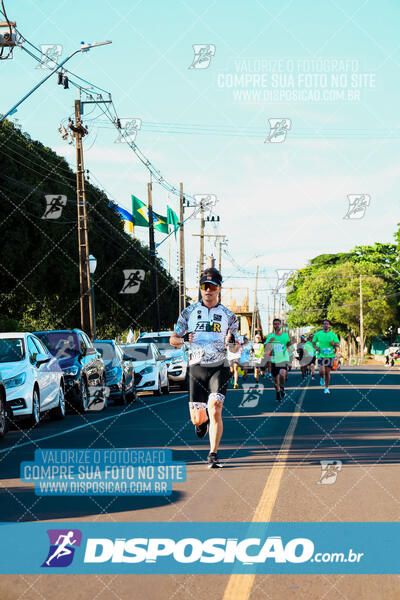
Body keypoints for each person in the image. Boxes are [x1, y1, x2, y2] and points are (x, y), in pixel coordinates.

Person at [170, 267, 239, 468]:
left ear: (219, 289)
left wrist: (232, 340)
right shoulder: (188, 312)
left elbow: (235, 346)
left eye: (212, 287)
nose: (208, 290)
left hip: (219, 366)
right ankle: (202, 423)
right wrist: (182, 339)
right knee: (197, 418)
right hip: (196, 367)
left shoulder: (229, 316)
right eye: (204, 286)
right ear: (200, 288)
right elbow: (172, 339)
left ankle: (213, 454)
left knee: (216, 408)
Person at [265, 318, 291, 402]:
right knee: (276, 380)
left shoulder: (285, 335)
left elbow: (288, 345)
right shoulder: (270, 336)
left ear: (280, 325)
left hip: (283, 358)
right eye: (275, 324)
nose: (276, 325)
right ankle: (278, 392)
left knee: (282, 374)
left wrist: (289, 351)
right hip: (274, 360)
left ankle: (282, 387)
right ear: (273, 325)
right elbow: (266, 348)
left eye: (278, 324)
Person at [312, 319, 339, 394]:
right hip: (321, 355)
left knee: (327, 373)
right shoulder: (318, 334)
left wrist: (333, 344)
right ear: (323, 325)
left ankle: (326, 387)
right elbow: (313, 342)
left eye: (327, 324)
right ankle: (321, 377)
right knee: (321, 371)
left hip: (330, 356)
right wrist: (315, 348)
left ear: (329, 325)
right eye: (324, 324)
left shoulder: (333, 335)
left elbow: (337, 344)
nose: (326, 325)